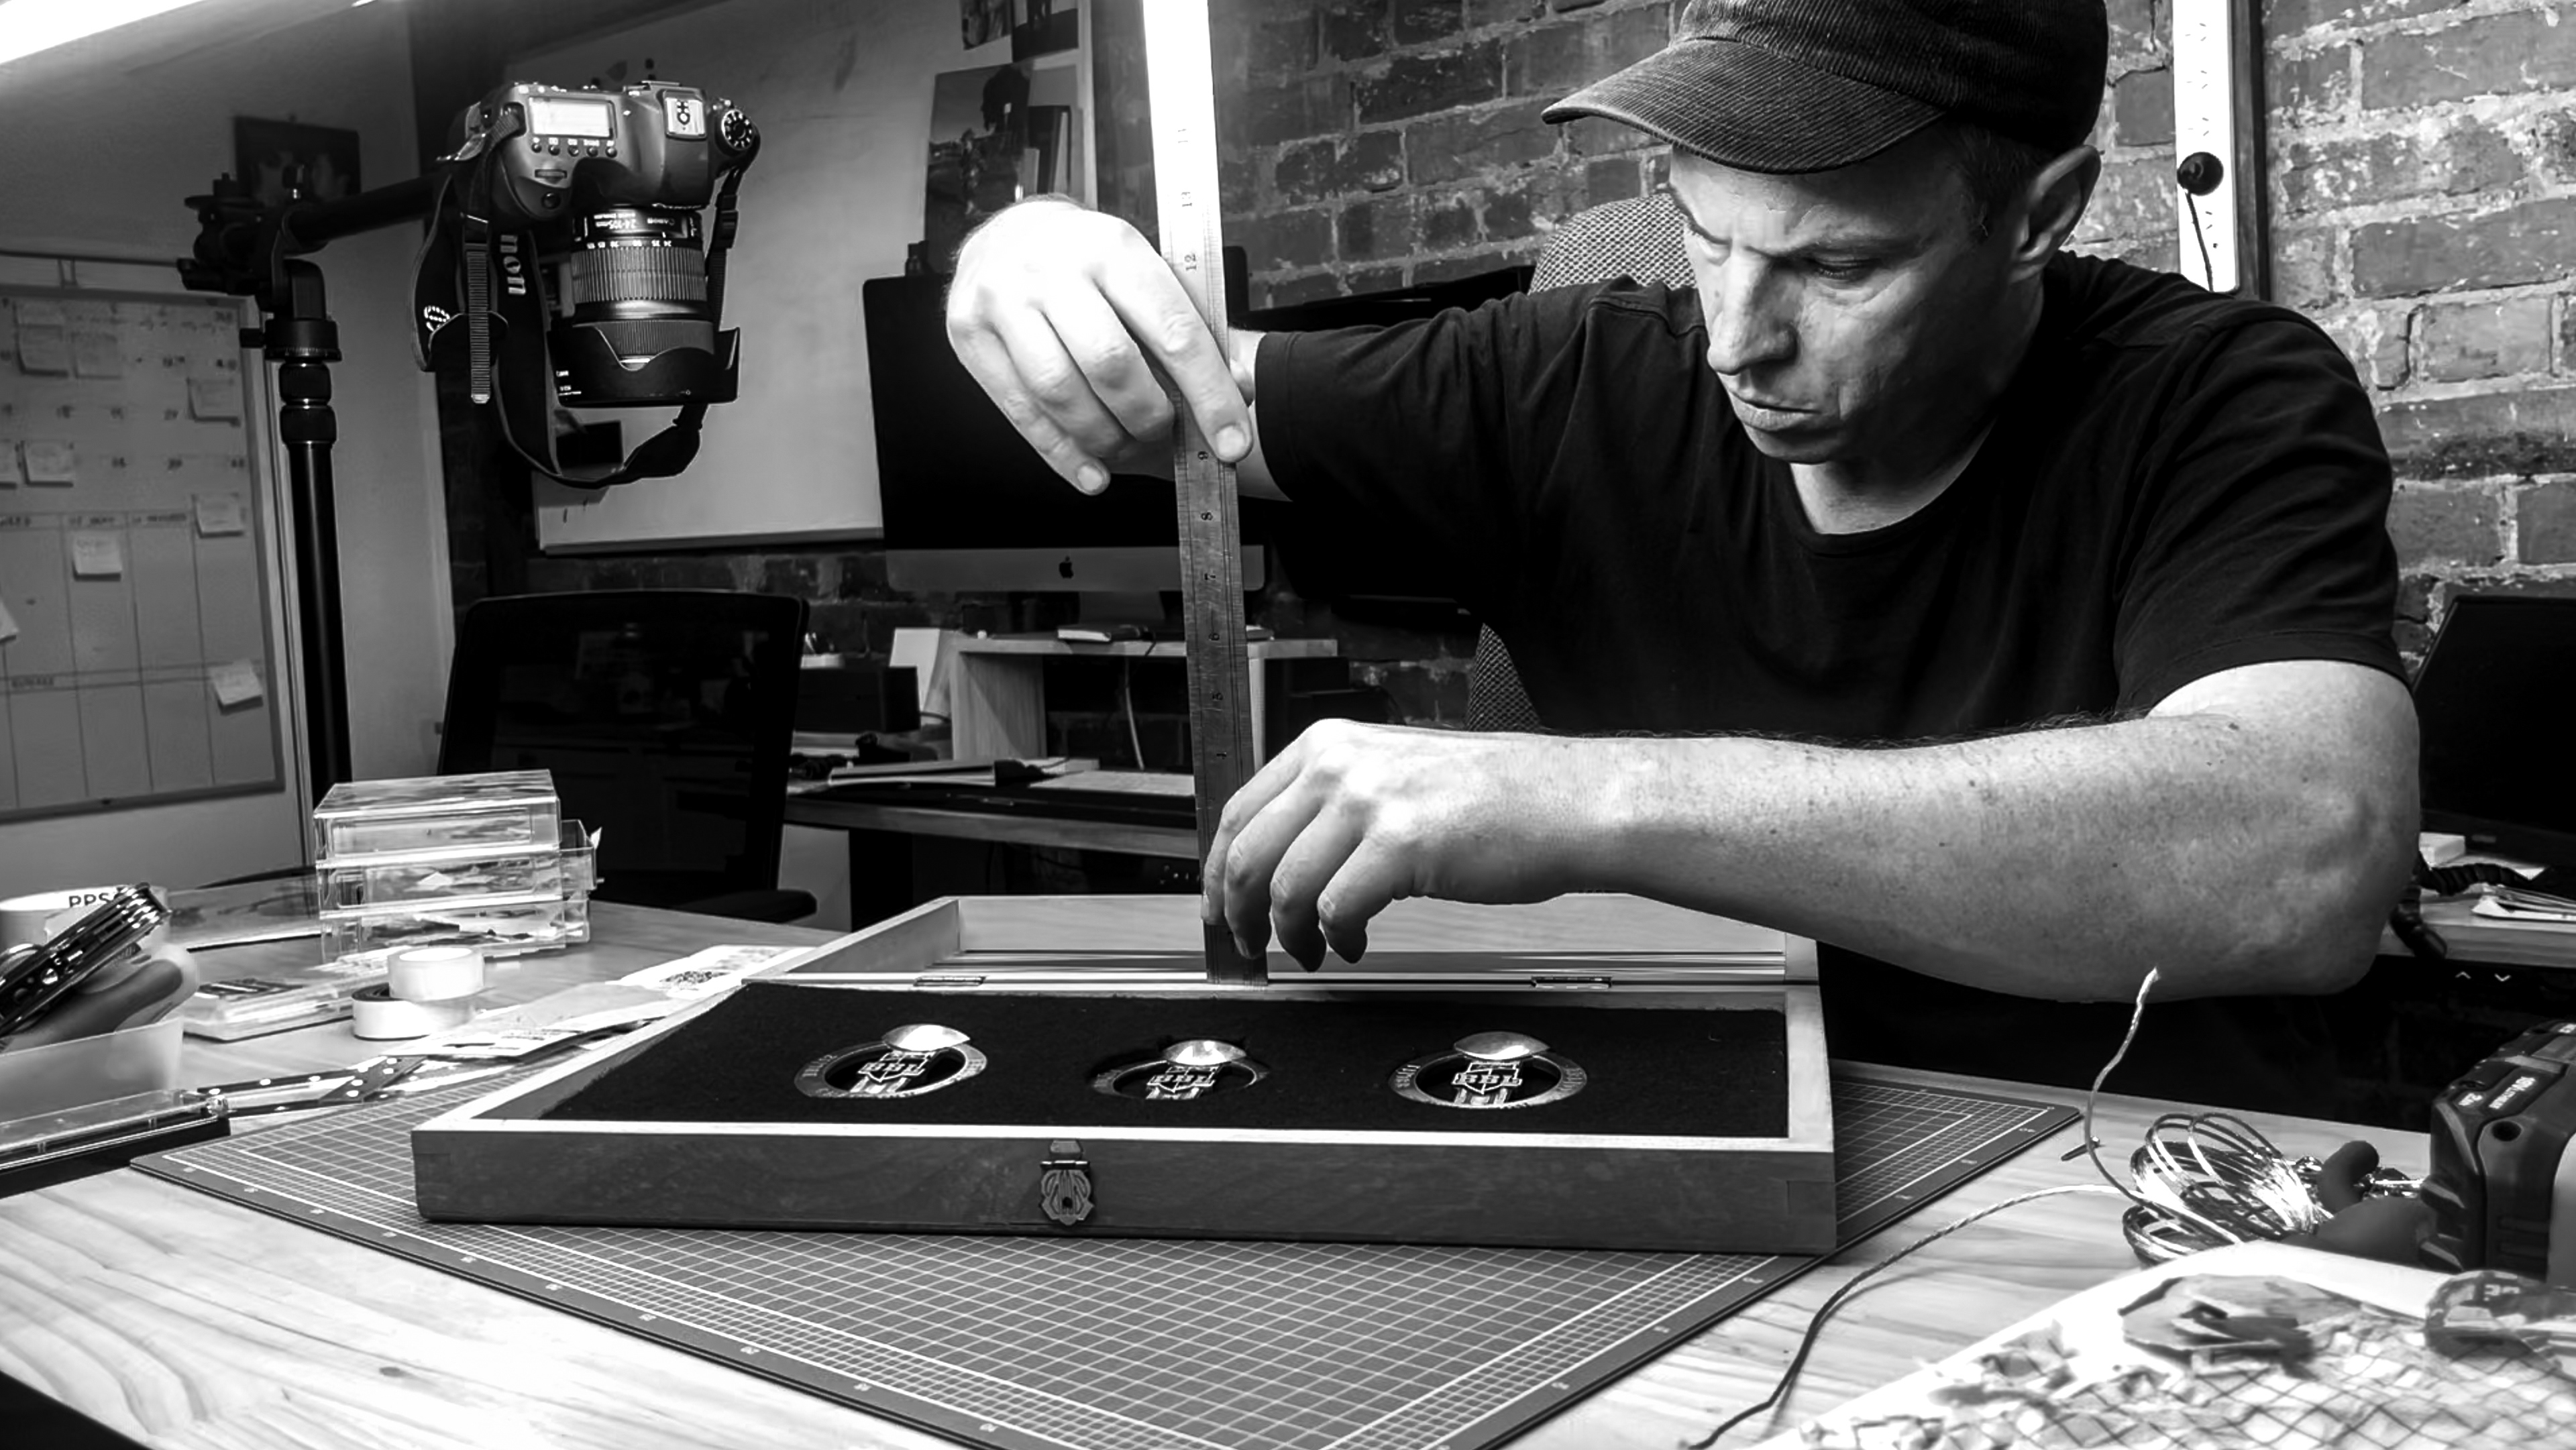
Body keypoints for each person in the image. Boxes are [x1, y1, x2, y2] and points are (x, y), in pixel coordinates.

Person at [941, 0, 2416, 1103]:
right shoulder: (1570, 382)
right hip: (1692, 1137)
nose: (1735, 338)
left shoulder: (2219, 395)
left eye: (1835, 266)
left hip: (2109, 1175)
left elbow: (2304, 852)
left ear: (2038, 214)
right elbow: (1163, 398)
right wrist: (1027, 256)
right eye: (1706, 235)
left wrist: (1592, 794)